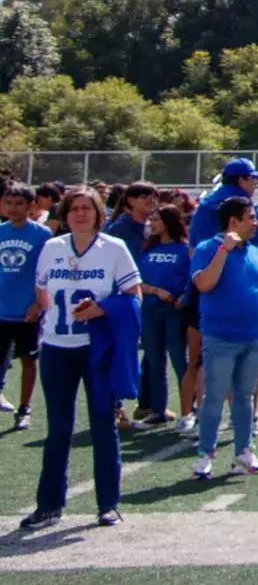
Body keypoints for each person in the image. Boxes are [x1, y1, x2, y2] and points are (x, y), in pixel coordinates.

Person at [20, 187, 143, 531]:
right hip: (58, 348)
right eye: (74, 208)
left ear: (99, 213)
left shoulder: (114, 249)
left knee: (103, 424)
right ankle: (48, 505)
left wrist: (102, 309)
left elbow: (134, 296)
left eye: (87, 208)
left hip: (97, 348)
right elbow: (42, 291)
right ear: (65, 212)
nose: (80, 214)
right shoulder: (51, 247)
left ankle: (108, 504)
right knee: (58, 429)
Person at [190, 196, 258, 479]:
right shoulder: (207, 248)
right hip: (220, 336)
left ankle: (244, 450)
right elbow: (204, 284)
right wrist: (224, 250)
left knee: (244, 397)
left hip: (253, 335)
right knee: (214, 398)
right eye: (251, 218)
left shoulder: (254, 251)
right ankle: (205, 455)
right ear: (233, 221)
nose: (256, 224)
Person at [134, 204, 194, 429]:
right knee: (155, 362)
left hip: (174, 313)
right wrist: (156, 291)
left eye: (156, 219)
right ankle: (158, 411)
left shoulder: (184, 249)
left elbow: (193, 280)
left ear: (169, 221)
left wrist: (183, 298)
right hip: (149, 311)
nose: (152, 223)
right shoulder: (147, 249)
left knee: (180, 361)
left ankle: (190, 412)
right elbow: (136, 280)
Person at [1, 181, 52, 432]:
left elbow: (46, 274)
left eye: (18, 203)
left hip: (27, 311)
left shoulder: (42, 235)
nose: (12, 208)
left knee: (28, 361)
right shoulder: (0, 231)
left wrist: (37, 303)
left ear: (31, 206)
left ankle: (24, 408)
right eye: (8, 203)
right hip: (1, 308)